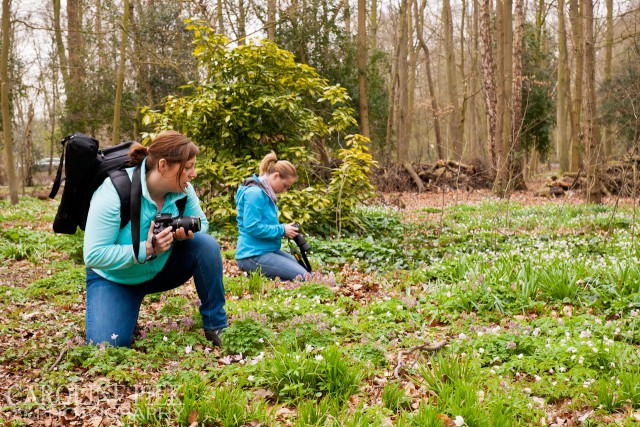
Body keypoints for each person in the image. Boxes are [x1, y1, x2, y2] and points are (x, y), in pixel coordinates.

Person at [83, 130, 227, 348]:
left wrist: (181, 234)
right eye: (187, 167)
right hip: (116, 277)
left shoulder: (183, 191)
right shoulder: (114, 192)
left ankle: (216, 326)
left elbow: (203, 226)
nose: (193, 173)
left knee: (205, 245)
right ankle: (123, 306)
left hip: (159, 269)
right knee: (107, 345)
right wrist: (147, 249)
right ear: (163, 166)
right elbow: (94, 255)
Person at [235, 151, 308, 281]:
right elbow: (252, 227)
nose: (285, 190)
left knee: (306, 273)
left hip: (266, 250)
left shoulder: (266, 193)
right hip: (252, 255)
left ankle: (261, 278)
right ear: (275, 176)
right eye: (285, 185)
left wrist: (284, 229)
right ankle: (256, 276)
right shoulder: (255, 194)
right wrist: (282, 230)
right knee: (303, 277)